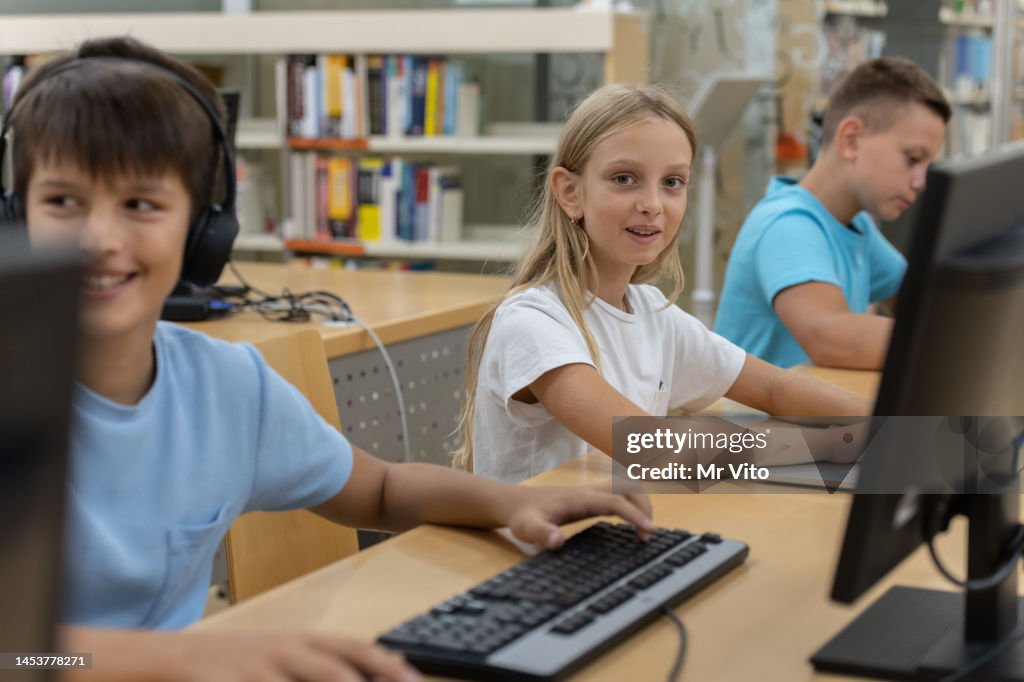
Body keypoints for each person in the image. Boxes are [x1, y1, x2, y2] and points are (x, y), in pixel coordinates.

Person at [9, 37, 657, 682]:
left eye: (141, 205)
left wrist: (507, 505)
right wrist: (185, 655)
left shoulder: (226, 385)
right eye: (63, 202)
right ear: (16, 218)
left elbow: (377, 489)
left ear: (205, 231)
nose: (99, 239)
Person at [453, 83, 873, 484]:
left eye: (672, 182)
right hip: (541, 553)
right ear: (570, 192)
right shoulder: (532, 321)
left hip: (611, 534)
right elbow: (652, 449)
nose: (652, 205)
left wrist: (885, 424)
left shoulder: (651, 311)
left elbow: (774, 387)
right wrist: (828, 444)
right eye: (624, 178)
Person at [714, 57, 950, 369]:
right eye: (912, 158)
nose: (921, 183)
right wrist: (956, 338)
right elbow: (832, 338)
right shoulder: (787, 225)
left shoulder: (856, 225)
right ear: (851, 140)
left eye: (927, 166)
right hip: (753, 419)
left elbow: (923, 304)